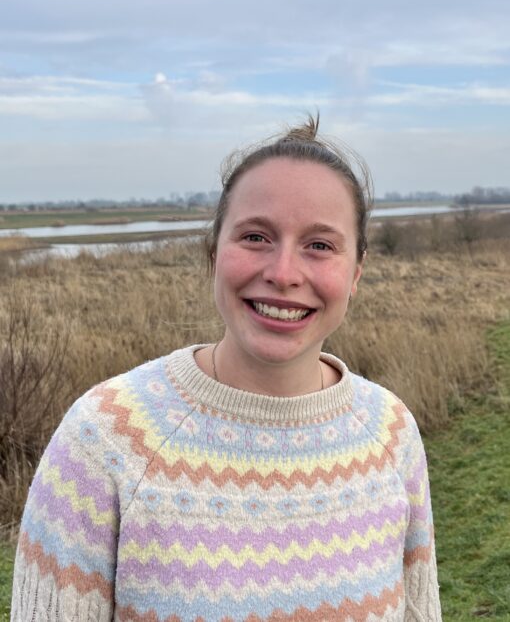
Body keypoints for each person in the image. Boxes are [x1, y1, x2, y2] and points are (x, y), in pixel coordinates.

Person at [11, 116, 442, 621]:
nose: (283, 273)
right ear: (214, 253)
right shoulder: (106, 437)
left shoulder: (391, 432)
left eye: (320, 245)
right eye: (256, 236)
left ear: (356, 274)